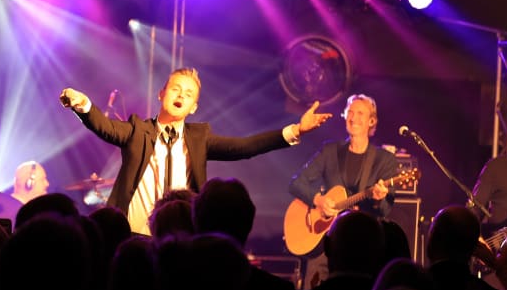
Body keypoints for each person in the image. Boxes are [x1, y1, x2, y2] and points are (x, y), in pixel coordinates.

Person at [60, 67, 331, 235]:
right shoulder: (137, 130)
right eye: (175, 89)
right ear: (162, 94)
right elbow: (105, 127)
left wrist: (296, 130)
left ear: (194, 108)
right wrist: (83, 105)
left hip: (178, 237)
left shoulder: (198, 139)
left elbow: (245, 146)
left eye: (188, 94)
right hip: (133, 233)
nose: (181, 95)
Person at [289, 93, 399, 219]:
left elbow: (385, 211)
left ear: (371, 121)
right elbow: (296, 183)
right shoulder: (330, 151)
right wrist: (319, 200)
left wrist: (378, 200)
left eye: (360, 113)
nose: (353, 118)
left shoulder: (385, 160)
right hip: (331, 229)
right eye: (350, 112)